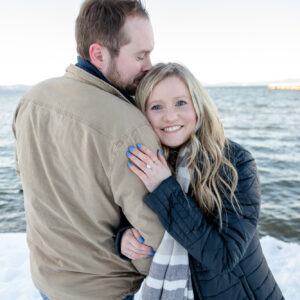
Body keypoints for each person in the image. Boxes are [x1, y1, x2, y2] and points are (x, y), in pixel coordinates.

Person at [12, 1, 165, 299]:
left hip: (46, 281)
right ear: (98, 54)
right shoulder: (129, 126)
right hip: (106, 290)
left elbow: (28, 184)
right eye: (140, 55)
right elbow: (153, 235)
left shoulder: (31, 101)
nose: (150, 65)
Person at [117, 63, 284, 299]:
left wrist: (165, 187)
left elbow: (223, 256)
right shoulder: (147, 162)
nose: (170, 116)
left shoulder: (235, 163)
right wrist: (123, 238)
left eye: (181, 103)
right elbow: (131, 215)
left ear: (198, 105)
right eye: (156, 106)